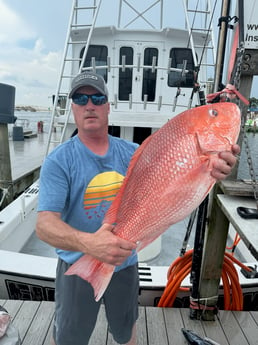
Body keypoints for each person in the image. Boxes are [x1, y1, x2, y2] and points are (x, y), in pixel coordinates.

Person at [36, 71, 240, 345]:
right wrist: (91, 244)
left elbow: (175, 188)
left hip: (125, 264)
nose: (89, 104)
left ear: (108, 107)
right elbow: (44, 225)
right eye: (80, 98)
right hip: (78, 265)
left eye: (97, 97)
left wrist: (213, 171)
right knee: (69, 337)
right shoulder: (59, 161)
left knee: (125, 331)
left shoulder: (134, 152)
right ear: (72, 106)